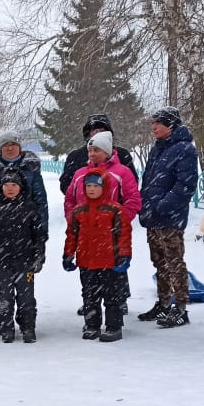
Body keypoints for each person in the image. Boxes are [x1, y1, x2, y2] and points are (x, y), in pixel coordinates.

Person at [64, 131, 142, 315]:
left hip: (111, 233)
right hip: (86, 232)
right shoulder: (80, 174)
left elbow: (133, 199)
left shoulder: (121, 172)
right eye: (90, 150)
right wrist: (74, 219)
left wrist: (120, 220)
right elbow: (70, 199)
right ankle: (92, 308)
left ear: (107, 151)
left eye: (96, 150)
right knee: (89, 273)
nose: (92, 154)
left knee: (113, 273)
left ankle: (118, 304)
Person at [137, 106, 199, 328]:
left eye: (158, 123)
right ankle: (163, 303)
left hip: (170, 217)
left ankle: (180, 307)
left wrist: (163, 206)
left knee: (174, 262)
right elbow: (149, 180)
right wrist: (145, 205)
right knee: (159, 262)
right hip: (153, 216)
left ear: (170, 125)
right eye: (153, 123)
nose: (154, 127)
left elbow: (185, 185)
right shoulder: (157, 149)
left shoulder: (185, 149)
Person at [63, 171, 133, 342]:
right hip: (86, 261)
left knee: (112, 295)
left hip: (110, 261)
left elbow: (123, 235)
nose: (92, 189)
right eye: (88, 186)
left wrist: (124, 255)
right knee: (89, 296)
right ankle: (92, 325)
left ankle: (113, 326)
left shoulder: (115, 209)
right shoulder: (79, 210)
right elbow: (72, 235)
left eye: (96, 186)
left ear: (105, 187)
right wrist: (68, 254)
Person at [0, 168, 47, 343]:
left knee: (26, 298)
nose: (10, 188)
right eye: (7, 185)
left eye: (14, 185)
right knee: (4, 297)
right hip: (2, 263)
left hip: (25, 262)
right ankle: (6, 326)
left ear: (21, 187)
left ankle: (28, 327)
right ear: (1, 187)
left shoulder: (29, 208)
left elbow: (39, 236)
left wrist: (39, 256)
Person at [0, 131, 48, 243]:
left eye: (13, 144)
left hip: (27, 228)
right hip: (0, 230)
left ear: (20, 147)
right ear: (0, 148)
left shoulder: (31, 168)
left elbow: (40, 201)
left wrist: (41, 230)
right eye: (5, 145)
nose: (9, 148)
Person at [58, 114, 139, 195]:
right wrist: (87, 194)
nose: (98, 134)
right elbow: (66, 185)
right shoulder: (75, 156)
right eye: (95, 131)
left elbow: (132, 184)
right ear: (88, 133)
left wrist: (112, 195)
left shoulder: (121, 154)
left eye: (101, 130)